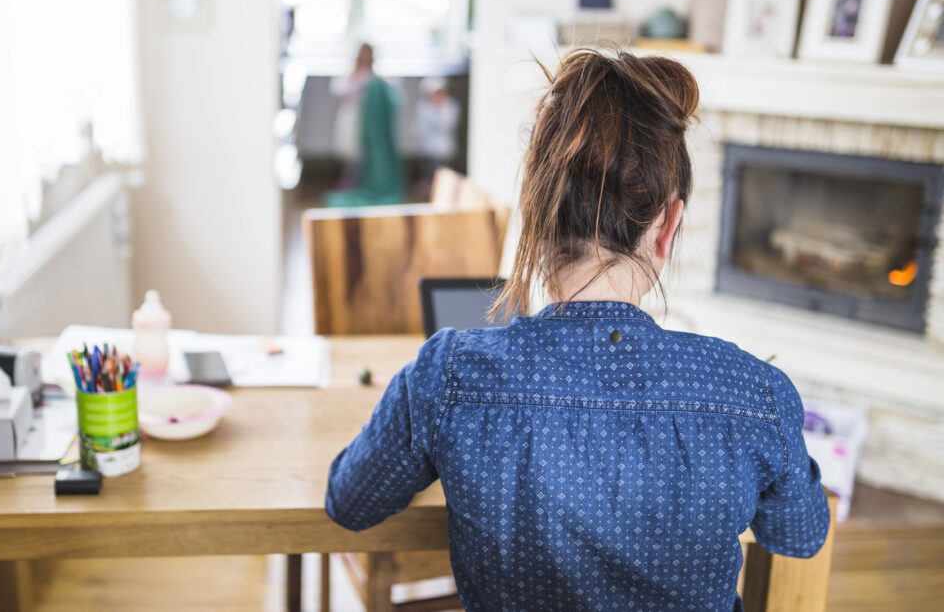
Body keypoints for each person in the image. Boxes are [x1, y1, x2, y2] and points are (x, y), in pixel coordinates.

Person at [324, 49, 830, 611]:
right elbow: (800, 537)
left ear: (536, 216)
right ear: (666, 226)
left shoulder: (448, 376)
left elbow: (350, 501)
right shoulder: (754, 394)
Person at [324, 43, 406, 207]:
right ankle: (350, 186)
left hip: (370, 122)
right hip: (353, 118)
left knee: (364, 156)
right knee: (352, 155)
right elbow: (338, 89)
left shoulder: (377, 80)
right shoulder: (351, 77)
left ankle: (359, 185)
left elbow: (395, 95)